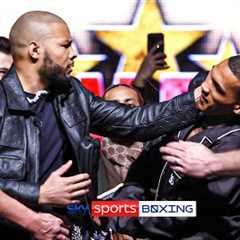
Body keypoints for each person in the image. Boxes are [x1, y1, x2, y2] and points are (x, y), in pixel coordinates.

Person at [0, 10, 202, 239]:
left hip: (68, 228)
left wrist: (200, 97)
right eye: (65, 45)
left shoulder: (71, 94)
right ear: (35, 50)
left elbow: (135, 121)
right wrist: (38, 195)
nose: (73, 53)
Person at [108, 55, 240, 239]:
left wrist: (120, 214)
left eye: (218, 88)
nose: (205, 88)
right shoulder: (190, 115)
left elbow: (183, 212)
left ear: (237, 107)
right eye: (211, 75)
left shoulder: (232, 146)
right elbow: (143, 169)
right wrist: (118, 207)